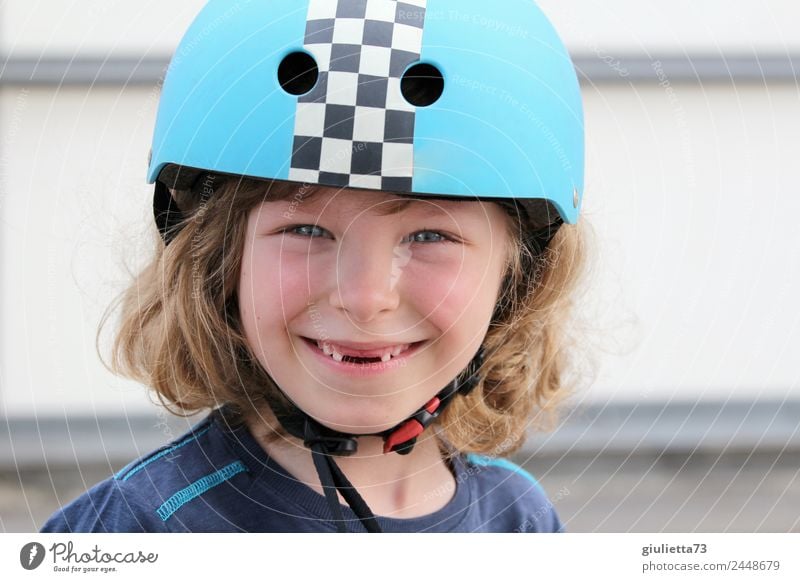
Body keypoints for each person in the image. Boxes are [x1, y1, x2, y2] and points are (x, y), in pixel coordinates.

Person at [41, 0, 589, 533]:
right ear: (216, 263)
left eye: (429, 235)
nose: (365, 296)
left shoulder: (519, 520)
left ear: (518, 279)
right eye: (306, 230)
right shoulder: (130, 532)